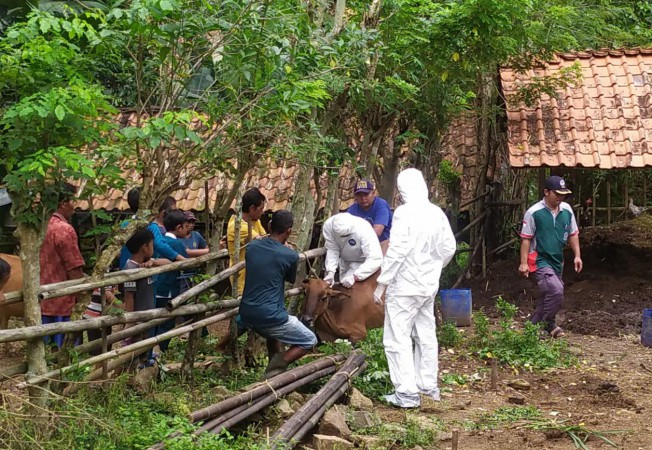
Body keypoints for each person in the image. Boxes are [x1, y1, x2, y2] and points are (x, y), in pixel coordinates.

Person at [374, 168, 456, 408]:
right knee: (426, 334)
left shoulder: (403, 213)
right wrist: (434, 269)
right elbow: (449, 248)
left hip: (405, 287)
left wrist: (382, 284)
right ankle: (428, 386)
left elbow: (398, 250)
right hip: (427, 286)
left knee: (397, 338)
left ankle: (406, 393)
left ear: (402, 191)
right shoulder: (436, 213)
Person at [239, 210, 317, 379]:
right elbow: (289, 278)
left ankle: (273, 369)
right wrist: (286, 251)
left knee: (273, 336)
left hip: (246, 313)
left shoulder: (252, 247)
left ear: (268, 226)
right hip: (270, 316)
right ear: (289, 231)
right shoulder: (290, 255)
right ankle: (275, 369)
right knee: (309, 340)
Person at [519, 175, 582, 338]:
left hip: (557, 259)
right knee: (556, 291)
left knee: (547, 295)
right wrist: (523, 263)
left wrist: (577, 256)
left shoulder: (567, 210)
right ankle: (539, 324)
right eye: (557, 194)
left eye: (563, 195)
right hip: (539, 259)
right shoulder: (534, 212)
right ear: (546, 192)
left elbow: (573, 234)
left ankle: (542, 326)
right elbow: (526, 239)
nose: (560, 198)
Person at [40, 183, 85, 349]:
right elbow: (74, 268)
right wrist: (82, 295)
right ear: (63, 203)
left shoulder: (40, 227)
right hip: (63, 301)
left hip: (43, 299)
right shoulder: (64, 230)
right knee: (64, 351)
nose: (75, 205)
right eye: (73, 200)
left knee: (45, 350)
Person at [119, 191, 185, 269]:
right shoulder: (151, 225)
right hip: (141, 267)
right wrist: (182, 259)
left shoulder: (125, 224)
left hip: (124, 267)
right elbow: (160, 245)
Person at [154, 209, 190, 352]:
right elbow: (187, 265)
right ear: (179, 227)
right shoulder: (178, 245)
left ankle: (151, 349)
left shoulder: (159, 241)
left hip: (154, 287)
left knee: (153, 321)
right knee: (166, 323)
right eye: (186, 227)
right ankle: (160, 350)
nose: (188, 230)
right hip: (168, 290)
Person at [322, 212, 383, 288]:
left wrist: (356, 276)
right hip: (344, 261)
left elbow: (376, 258)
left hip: (362, 263)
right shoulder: (328, 226)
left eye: (346, 236)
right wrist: (330, 271)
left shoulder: (364, 229)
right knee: (343, 287)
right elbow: (332, 249)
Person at [227, 187, 267, 295]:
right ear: (252, 208)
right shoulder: (237, 225)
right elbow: (262, 242)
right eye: (261, 209)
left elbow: (266, 237)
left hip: (253, 276)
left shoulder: (255, 221)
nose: (262, 212)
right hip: (241, 278)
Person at [347, 179, 393, 254]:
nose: (363, 198)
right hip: (362, 245)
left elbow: (377, 232)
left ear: (373, 193)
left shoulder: (381, 205)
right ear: (355, 196)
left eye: (366, 194)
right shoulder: (352, 209)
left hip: (383, 243)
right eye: (359, 195)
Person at [179, 210, 209, 292]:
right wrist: (209, 251)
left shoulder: (196, 235)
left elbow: (205, 247)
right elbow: (187, 252)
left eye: (193, 222)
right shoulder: (178, 237)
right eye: (189, 222)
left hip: (195, 273)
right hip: (181, 274)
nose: (191, 225)